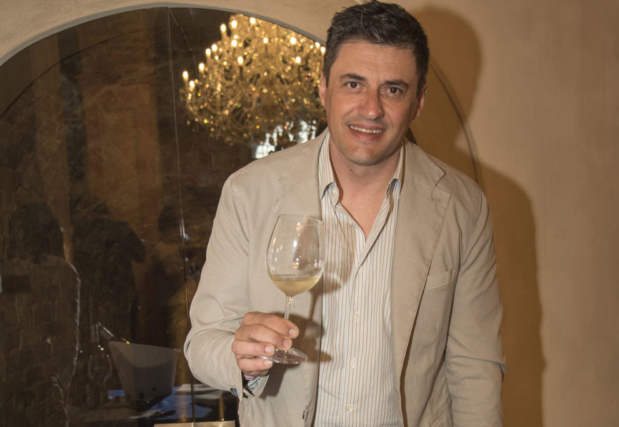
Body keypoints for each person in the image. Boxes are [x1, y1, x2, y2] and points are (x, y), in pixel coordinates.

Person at [185, 2, 506, 426]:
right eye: (353, 84)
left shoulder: (464, 205)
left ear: (418, 101)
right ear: (323, 88)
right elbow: (203, 343)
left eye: (393, 90)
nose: (371, 109)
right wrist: (243, 359)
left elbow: (475, 366)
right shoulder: (249, 192)